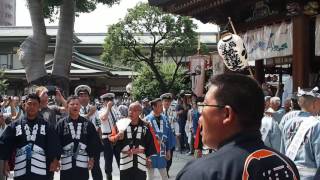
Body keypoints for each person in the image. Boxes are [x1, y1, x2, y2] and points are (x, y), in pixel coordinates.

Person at [176, 73, 299, 180]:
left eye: (205, 106)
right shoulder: (286, 166)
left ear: (227, 114)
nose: (201, 117)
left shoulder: (202, 173)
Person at [0, 94, 61, 180]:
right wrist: (6, 161)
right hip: (21, 168)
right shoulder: (15, 125)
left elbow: (54, 143)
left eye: (35, 104)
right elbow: (5, 143)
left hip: (41, 169)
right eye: (29, 104)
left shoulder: (47, 126)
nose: (32, 106)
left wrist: (55, 159)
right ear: (24, 105)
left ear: (39, 106)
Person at [56, 96, 102, 180]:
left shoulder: (87, 124)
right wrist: (55, 159)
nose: (75, 106)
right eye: (72, 104)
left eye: (77, 104)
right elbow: (56, 143)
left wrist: (91, 158)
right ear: (67, 106)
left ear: (80, 106)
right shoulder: (61, 124)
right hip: (66, 160)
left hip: (82, 160)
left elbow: (93, 143)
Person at [109, 102, 158, 180]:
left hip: (140, 159)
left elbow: (151, 143)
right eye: (130, 110)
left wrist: (149, 158)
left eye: (135, 110)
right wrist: (117, 136)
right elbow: (111, 138)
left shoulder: (146, 125)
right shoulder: (120, 124)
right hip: (125, 159)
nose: (131, 112)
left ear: (140, 112)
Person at [280, 87, 320, 179]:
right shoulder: (317, 125)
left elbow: (282, 152)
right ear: (316, 103)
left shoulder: (288, 122)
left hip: (289, 174)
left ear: (298, 102)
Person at [75, 85, 103, 180]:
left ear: (89, 97)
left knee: (96, 168)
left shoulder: (94, 109)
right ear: (78, 97)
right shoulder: (75, 108)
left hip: (93, 141)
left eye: (85, 95)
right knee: (80, 167)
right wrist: (89, 114)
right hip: (80, 141)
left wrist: (100, 141)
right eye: (81, 95)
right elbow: (79, 120)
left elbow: (98, 125)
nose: (83, 97)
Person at [145, 98, 175, 180]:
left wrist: (168, 150)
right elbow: (144, 139)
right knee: (150, 176)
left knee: (164, 175)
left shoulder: (165, 119)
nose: (162, 107)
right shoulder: (147, 120)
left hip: (162, 151)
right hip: (151, 151)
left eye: (162, 105)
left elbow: (169, 134)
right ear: (154, 107)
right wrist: (146, 156)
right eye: (160, 106)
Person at [98, 93, 121, 180]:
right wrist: (108, 108)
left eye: (110, 100)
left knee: (120, 158)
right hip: (107, 138)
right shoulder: (101, 111)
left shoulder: (116, 110)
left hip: (117, 137)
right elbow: (103, 118)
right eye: (107, 100)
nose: (109, 102)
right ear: (103, 102)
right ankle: (109, 176)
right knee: (108, 160)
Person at [160, 93, 177, 177]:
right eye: (165, 101)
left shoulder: (173, 110)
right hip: (162, 137)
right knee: (163, 155)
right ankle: (164, 172)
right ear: (162, 102)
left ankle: (167, 170)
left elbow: (175, 121)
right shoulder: (159, 111)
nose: (167, 103)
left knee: (170, 157)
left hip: (171, 136)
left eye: (168, 101)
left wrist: (177, 133)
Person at [0, 112, 7, 180]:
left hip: (1, 156)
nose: (1, 118)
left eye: (2, 117)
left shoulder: (5, 128)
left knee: (1, 176)